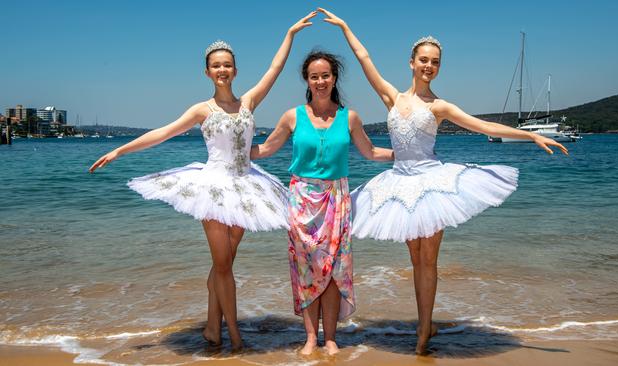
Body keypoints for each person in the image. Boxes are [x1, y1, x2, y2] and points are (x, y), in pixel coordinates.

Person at [318, 8, 569, 354]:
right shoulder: (393, 97)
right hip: (399, 184)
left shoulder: (440, 106)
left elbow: (484, 126)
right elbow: (364, 59)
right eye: (423, 60)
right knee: (414, 258)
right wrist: (345, 27)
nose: (428, 66)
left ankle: (423, 329)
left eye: (435, 62)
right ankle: (426, 322)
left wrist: (532, 137)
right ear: (411, 62)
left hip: (432, 184)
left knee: (429, 259)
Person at [88, 12, 317, 351]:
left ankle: (213, 327)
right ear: (208, 72)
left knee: (223, 264)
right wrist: (120, 151)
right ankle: (235, 337)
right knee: (224, 266)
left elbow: (275, 70)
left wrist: (289, 34)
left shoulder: (248, 102)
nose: (222, 70)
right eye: (216, 66)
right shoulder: (202, 110)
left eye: (227, 65)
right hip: (213, 188)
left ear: (235, 70)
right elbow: (163, 133)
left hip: (247, 187)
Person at [251, 51, 393, 355]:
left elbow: (369, 152)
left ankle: (330, 337)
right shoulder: (292, 116)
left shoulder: (349, 117)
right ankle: (310, 338)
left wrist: (403, 154)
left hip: (337, 200)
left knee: (332, 271)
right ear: (307, 79)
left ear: (334, 78)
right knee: (306, 270)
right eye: (314, 76)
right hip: (301, 200)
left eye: (325, 75)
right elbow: (266, 148)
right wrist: (232, 150)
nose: (320, 81)